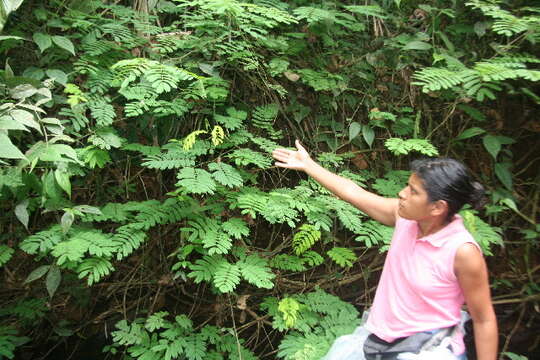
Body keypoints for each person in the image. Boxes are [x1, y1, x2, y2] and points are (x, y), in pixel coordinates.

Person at [272, 140, 498, 360]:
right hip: (379, 340)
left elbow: (484, 319)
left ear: (438, 207)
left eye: (413, 191)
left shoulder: (462, 251)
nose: (402, 193)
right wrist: (308, 165)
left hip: (427, 349)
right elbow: (354, 193)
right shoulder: (406, 218)